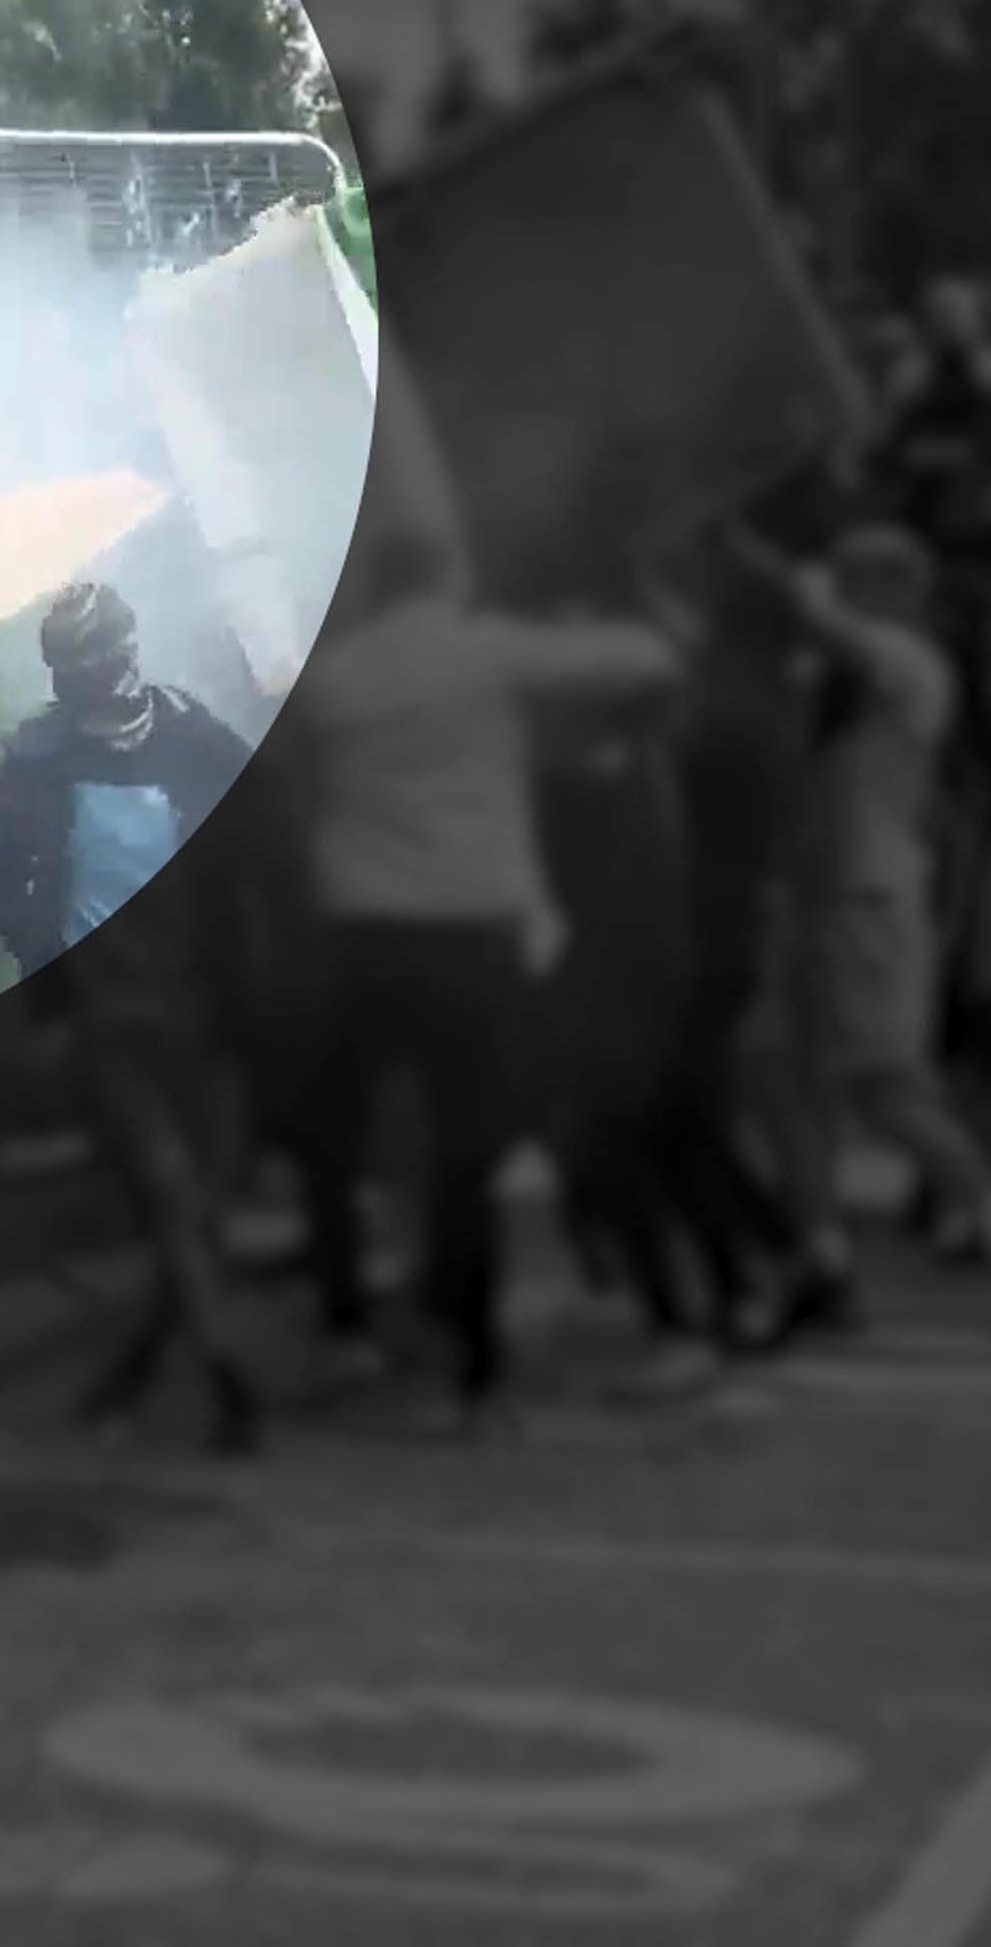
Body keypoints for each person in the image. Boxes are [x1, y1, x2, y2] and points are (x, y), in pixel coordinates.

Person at [277, 528, 685, 1430]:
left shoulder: (337, 676)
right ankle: (471, 1358)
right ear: (449, 583)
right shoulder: (487, 653)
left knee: (332, 1136)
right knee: (470, 1146)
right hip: (477, 936)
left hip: (362, 931)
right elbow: (645, 657)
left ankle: (346, 1321)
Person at [0, 582, 264, 1453]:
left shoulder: (192, 735)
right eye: (76, 655)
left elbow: (253, 844)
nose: (99, 664)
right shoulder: (40, 756)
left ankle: (131, 1376)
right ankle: (228, 1381)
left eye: (108, 644)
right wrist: (38, 965)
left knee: (197, 1215)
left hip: (205, 1010)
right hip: (110, 1017)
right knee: (173, 1198)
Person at [741, 523, 991, 1332]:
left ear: (902, 589)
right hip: (810, 901)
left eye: (861, 577)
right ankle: (823, 1259)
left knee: (885, 1090)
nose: (844, 588)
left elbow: (823, 623)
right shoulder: (828, 678)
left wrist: (766, 561)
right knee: (784, 1082)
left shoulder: (912, 666)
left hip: (868, 904)